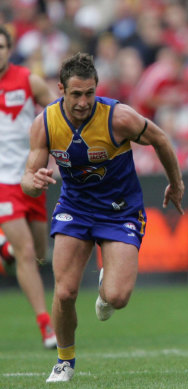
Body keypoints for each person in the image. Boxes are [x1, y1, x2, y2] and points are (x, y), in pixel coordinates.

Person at [20, 52, 185, 383]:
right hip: (75, 207)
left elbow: (160, 139)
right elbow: (27, 180)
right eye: (76, 94)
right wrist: (34, 183)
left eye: (89, 93)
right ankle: (65, 360)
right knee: (64, 292)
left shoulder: (118, 117)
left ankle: (105, 288)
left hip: (120, 209)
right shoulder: (46, 123)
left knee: (117, 298)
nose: (83, 102)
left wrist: (176, 184)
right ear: (61, 90)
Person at [0, 25, 58, 349]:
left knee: (38, 253)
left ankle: (3, 249)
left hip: (31, 178)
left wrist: (61, 156)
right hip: (1, 185)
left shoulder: (27, 80)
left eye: (2, 46)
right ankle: (45, 325)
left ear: (10, 49)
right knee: (25, 254)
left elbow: (57, 114)